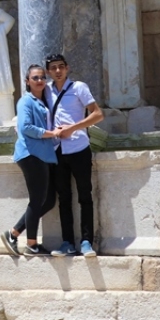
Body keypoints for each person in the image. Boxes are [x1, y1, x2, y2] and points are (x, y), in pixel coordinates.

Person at [42, 54, 104, 257]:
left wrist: (73, 128)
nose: (58, 71)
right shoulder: (47, 90)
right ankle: (67, 242)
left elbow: (97, 114)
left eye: (61, 67)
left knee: (85, 195)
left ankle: (86, 241)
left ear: (67, 68)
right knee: (64, 197)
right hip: (58, 149)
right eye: (53, 68)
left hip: (78, 147)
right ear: (49, 71)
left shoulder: (79, 87)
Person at [0, 65, 61, 257]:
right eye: (35, 78)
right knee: (37, 200)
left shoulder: (43, 101)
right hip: (31, 154)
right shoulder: (25, 101)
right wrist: (51, 133)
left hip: (43, 155)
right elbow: (25, 126)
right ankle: (31, 244)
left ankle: (13, 233)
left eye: (43, 77)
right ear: (27, 81)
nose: (40, 80)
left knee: (49, 200)